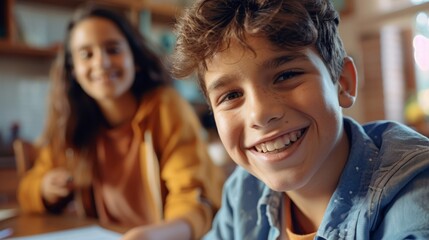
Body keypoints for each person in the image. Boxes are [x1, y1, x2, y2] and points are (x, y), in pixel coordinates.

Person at [171, 0, 429, 239]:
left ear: (342, 82)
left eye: (286, 76)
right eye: (231, 95)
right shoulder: (243, 192)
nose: (259, 114)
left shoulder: (415, 196)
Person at [18, 4, 218, 240]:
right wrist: (44, 188)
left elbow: (195, 199)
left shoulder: (165, 107)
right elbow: (28, 190)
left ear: (134, 58)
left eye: (112, 49)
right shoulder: (73, 123)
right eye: (86, 55)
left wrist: (154, 236)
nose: (101, 63)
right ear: (73, 71)